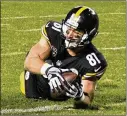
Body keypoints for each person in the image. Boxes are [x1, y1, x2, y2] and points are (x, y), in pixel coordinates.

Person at [20, 6, 107, 108]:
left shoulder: (93, 61)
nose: (69, 35)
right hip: (35, 83)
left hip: (62, 93)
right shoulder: (53, 32)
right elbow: (29, 60)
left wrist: (80, 96)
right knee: (35, 55)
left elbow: (87, 99)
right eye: (68, 29)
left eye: (77, 32)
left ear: (89, 35)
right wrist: (50, 70)